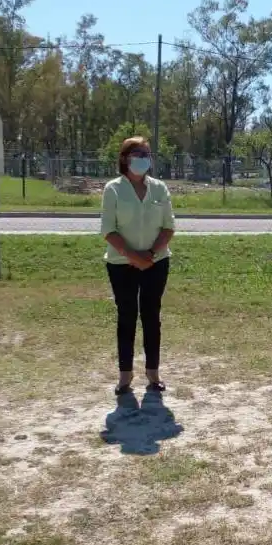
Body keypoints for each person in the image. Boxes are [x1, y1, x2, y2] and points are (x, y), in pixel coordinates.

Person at [100, 137, 175, 395]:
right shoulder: (113, 189)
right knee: (127, 316)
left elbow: (168, 227)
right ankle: (125, 376)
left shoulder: (159, 189)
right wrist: (132, 256)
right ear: (125, 158)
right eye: (137, 153)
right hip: (122, 264)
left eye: (146, 153)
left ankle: (153, 373)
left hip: (156, 262)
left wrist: (151, 254)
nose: (143, 157)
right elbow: (108, 230)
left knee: (152, 316)